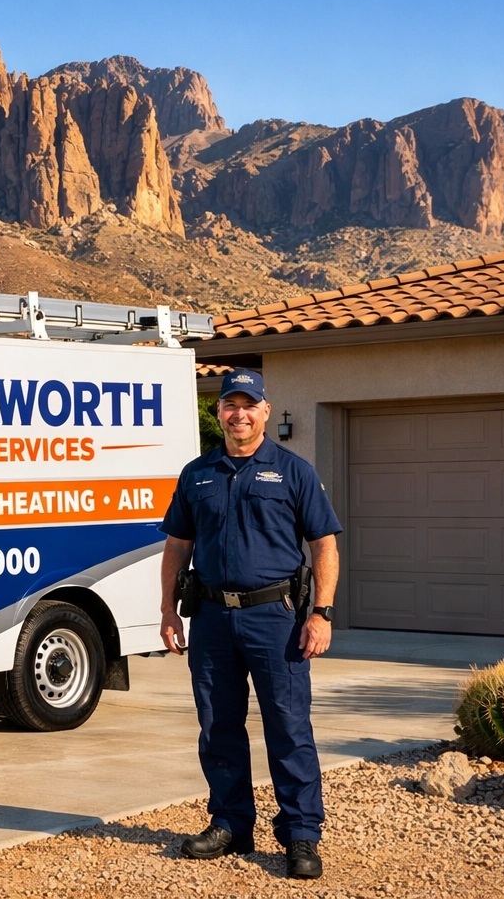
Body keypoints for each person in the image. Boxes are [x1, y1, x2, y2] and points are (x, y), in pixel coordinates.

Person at [158, 369, 342, 880]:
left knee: (288, 726)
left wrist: (321, 614)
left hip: (275, 619)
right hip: (213, 617)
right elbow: (178, 544)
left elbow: (324, 545)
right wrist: (169, 609)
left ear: (265, 411)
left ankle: (301, 835)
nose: (238, 413)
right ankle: (231, 823)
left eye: (248, 404)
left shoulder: (294, 472)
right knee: (218, 726)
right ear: (218, 412)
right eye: (229, 405)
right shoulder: (197, 473)